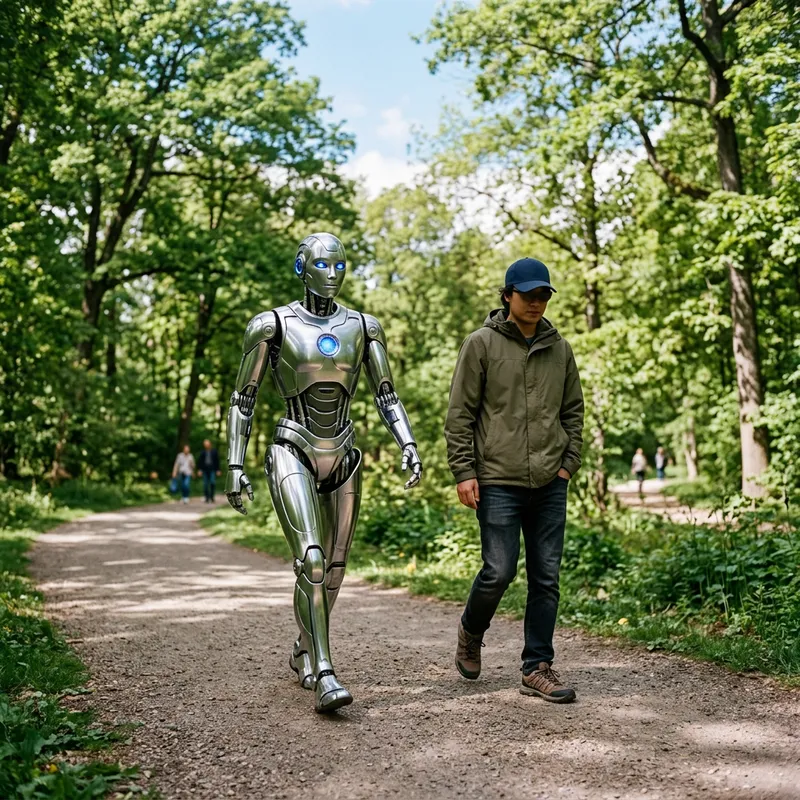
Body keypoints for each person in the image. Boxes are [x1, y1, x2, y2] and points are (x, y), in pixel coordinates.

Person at [224, 232, 423, 713]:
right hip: (293, 447)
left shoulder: (363, 327)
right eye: (322, 265)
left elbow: (386, 394)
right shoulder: (271, 325)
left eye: (340, 266)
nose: (332, 275)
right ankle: (327, 675)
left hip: (346, 452)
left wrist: (409, 442)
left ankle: (304, 649)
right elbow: (243, 398)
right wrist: (234, 463)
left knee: (333, 569)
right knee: (311, 559)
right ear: (301, 267)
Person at [445, 257, 584, 704]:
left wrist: (567, 465)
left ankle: (536, 667)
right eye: (528, 295)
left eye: (544, 295)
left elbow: (573, 413)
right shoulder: (481, 344)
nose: (537, 303)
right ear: (507, 296)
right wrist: (464, 471)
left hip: (549, 480)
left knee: (546, 577)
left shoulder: (559, 349)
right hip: (498, 480)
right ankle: (471, 629)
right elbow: (460, 415)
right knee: (498, 571)